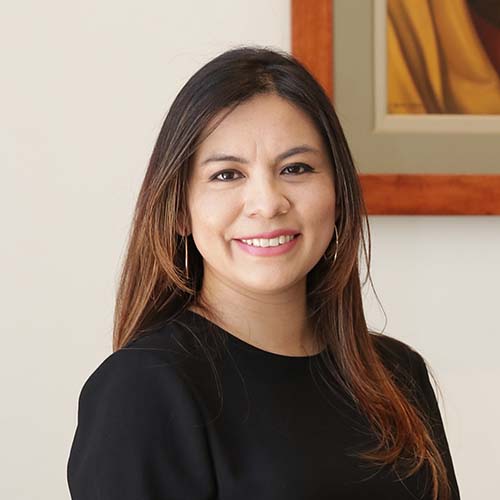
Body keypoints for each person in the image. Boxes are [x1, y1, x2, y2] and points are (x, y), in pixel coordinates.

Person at [66, 46, 461, 500]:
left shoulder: (398, 374)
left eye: (296, 168)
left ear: (338, 195)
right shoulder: (144, 387)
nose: (268, 203)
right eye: (227, 175)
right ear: (179, 210)